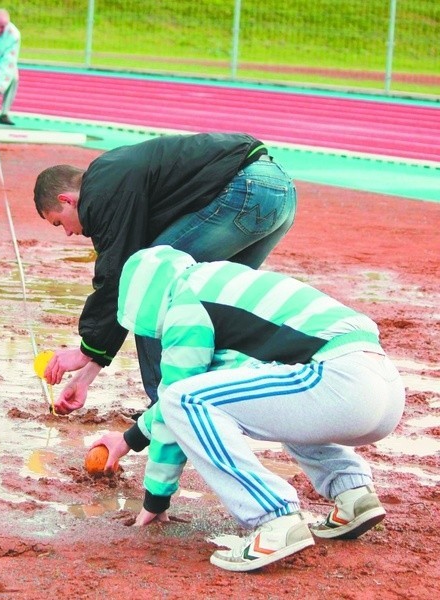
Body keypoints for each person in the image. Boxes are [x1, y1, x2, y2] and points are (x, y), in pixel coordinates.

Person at [94, 245, 405, 572]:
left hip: (340, 383)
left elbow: (177, 402)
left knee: (183, 401)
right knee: (270, 402)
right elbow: (223, 394)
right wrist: (130, 439)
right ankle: (353, 493)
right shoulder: (218, 282)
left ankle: (274, 519)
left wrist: (156, 498)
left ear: (142, 299)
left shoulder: (185, 303)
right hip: (382, 388)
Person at [33, 132, 297, 414]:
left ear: (68, 199)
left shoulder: (102, 191)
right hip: (281, 192)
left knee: (154, 285)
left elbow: (122, 280)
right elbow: (123, 287)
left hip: (246, 187)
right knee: (211, 306)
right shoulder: (116, 185)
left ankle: (167, 412)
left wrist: (86, 350)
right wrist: (88, 373)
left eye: (59, 222)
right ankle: (214, 405)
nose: (70, 233)